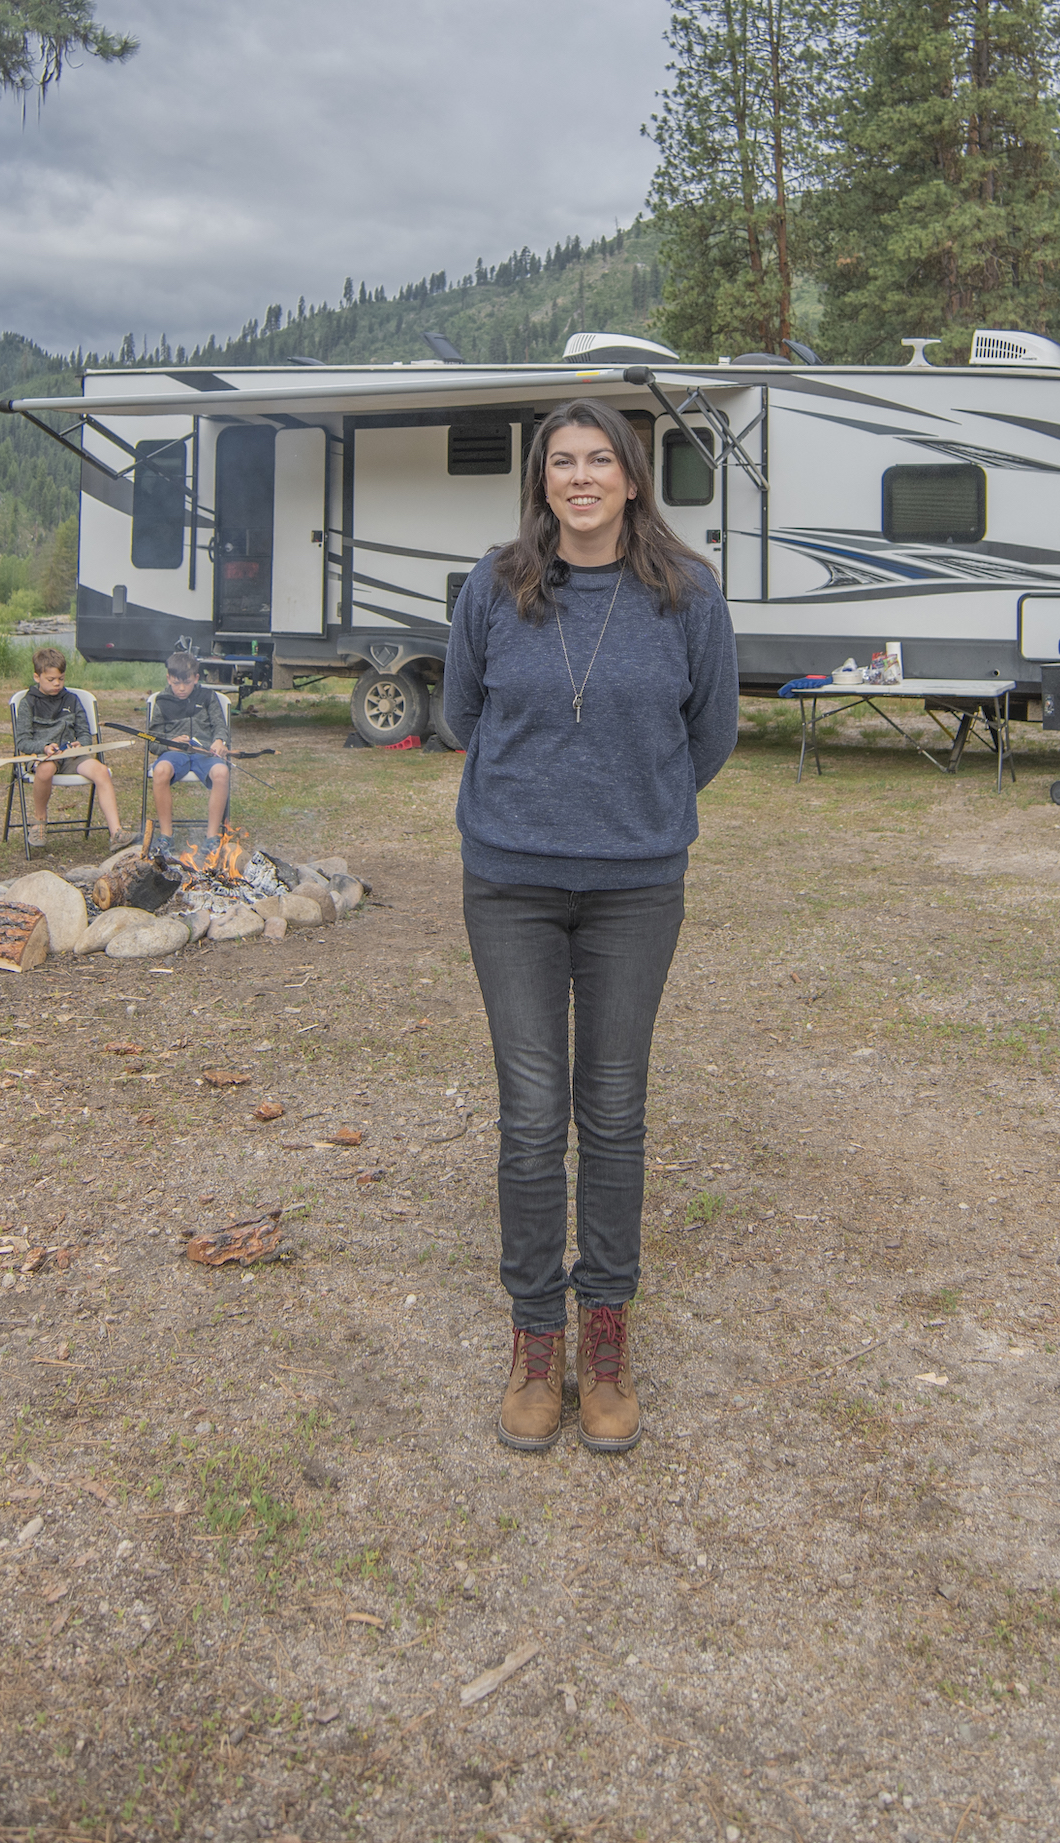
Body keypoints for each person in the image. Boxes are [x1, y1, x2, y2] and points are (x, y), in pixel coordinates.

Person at [438, 396, 738, 1456]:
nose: (579, 478)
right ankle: (534, 1339)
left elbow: (711, 735)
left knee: (611, 1113)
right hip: (509, 884)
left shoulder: (685, 595)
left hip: (633, 889)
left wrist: (629, 806)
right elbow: (459, 716)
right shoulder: (496, 584)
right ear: (541, 482)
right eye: (560, 462)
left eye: (598, 460)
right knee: (531, 1116)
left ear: (630, 478)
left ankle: (603, 1339)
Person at [14, 646, 118, 851]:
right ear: (37, 677)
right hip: (42, 757)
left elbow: (86, 734)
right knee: (45, 769)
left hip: (71, 755)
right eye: (50, 679)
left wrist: (82, 745)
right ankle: (39, 821)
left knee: (101, 770)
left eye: (60, 679)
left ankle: (116, 832)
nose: (57, 684)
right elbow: (22, 741)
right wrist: (43, 748)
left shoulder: (72, 699)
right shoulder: (28, 703)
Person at [144, 647, 234, 844]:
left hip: (204, 753)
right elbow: (152, 739)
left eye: (187, 683)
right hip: (175, 754)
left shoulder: (208, 697)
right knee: (160, 771)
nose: (182, 689)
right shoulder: (162, 700)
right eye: (177, 684)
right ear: (169, 679)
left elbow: (220, 725)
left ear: (196, 677)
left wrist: (220, 741)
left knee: (222, 773)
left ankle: (211, 837)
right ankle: (166, 835)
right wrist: (170, 745)